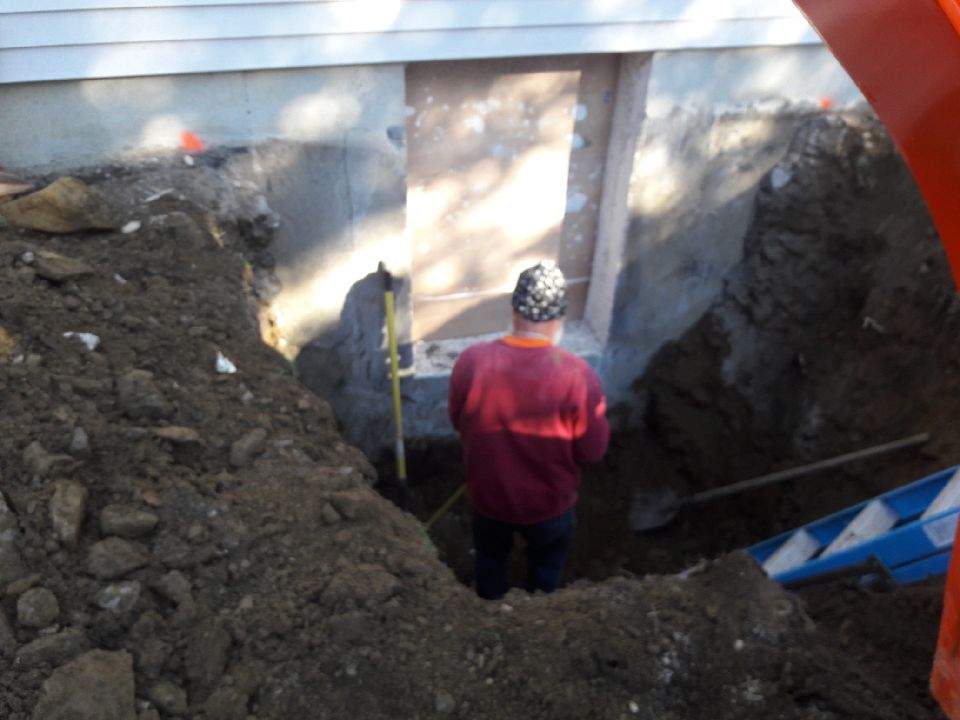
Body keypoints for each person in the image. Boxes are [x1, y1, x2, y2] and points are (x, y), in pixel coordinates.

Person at [448, 261, 610, 600]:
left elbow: (458, 422)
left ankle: (489, 608)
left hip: (488, 499)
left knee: (490, 562)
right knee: (546, 568)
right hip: (549, 507)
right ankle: (540, 612)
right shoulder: (578, 375)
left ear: (513, 309)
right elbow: (592, 451)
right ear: (560, 317)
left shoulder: (472, 362)